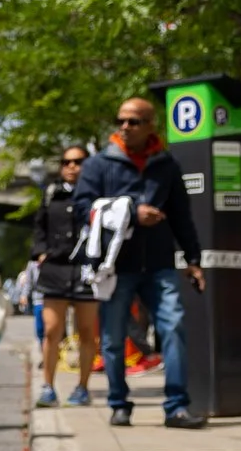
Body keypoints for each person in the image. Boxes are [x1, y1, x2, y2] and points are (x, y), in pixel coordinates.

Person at [74, 96, 206, 428]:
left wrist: (193, 258)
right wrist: (133, 210)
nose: (125, 127)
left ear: (150, 126)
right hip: (116, 267)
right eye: (121, 120)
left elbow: (181, 216)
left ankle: (176, 406)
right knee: (114, 338)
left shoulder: (167, 165)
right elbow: (83, 209)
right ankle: (119, 403)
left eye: (134, 121)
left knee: (173, 327)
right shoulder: (99, 164)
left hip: (159, 264)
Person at [30, 145, 102, 408]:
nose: (72, 167)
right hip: (56, 269)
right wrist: (40, 253)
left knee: (86, 331)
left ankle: (82, 387)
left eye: (78, 161)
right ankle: (48, 386)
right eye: (66, 162)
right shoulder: (51, 194)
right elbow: (39, 226)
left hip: (86, 269)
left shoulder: (97, 194)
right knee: (51, 330)